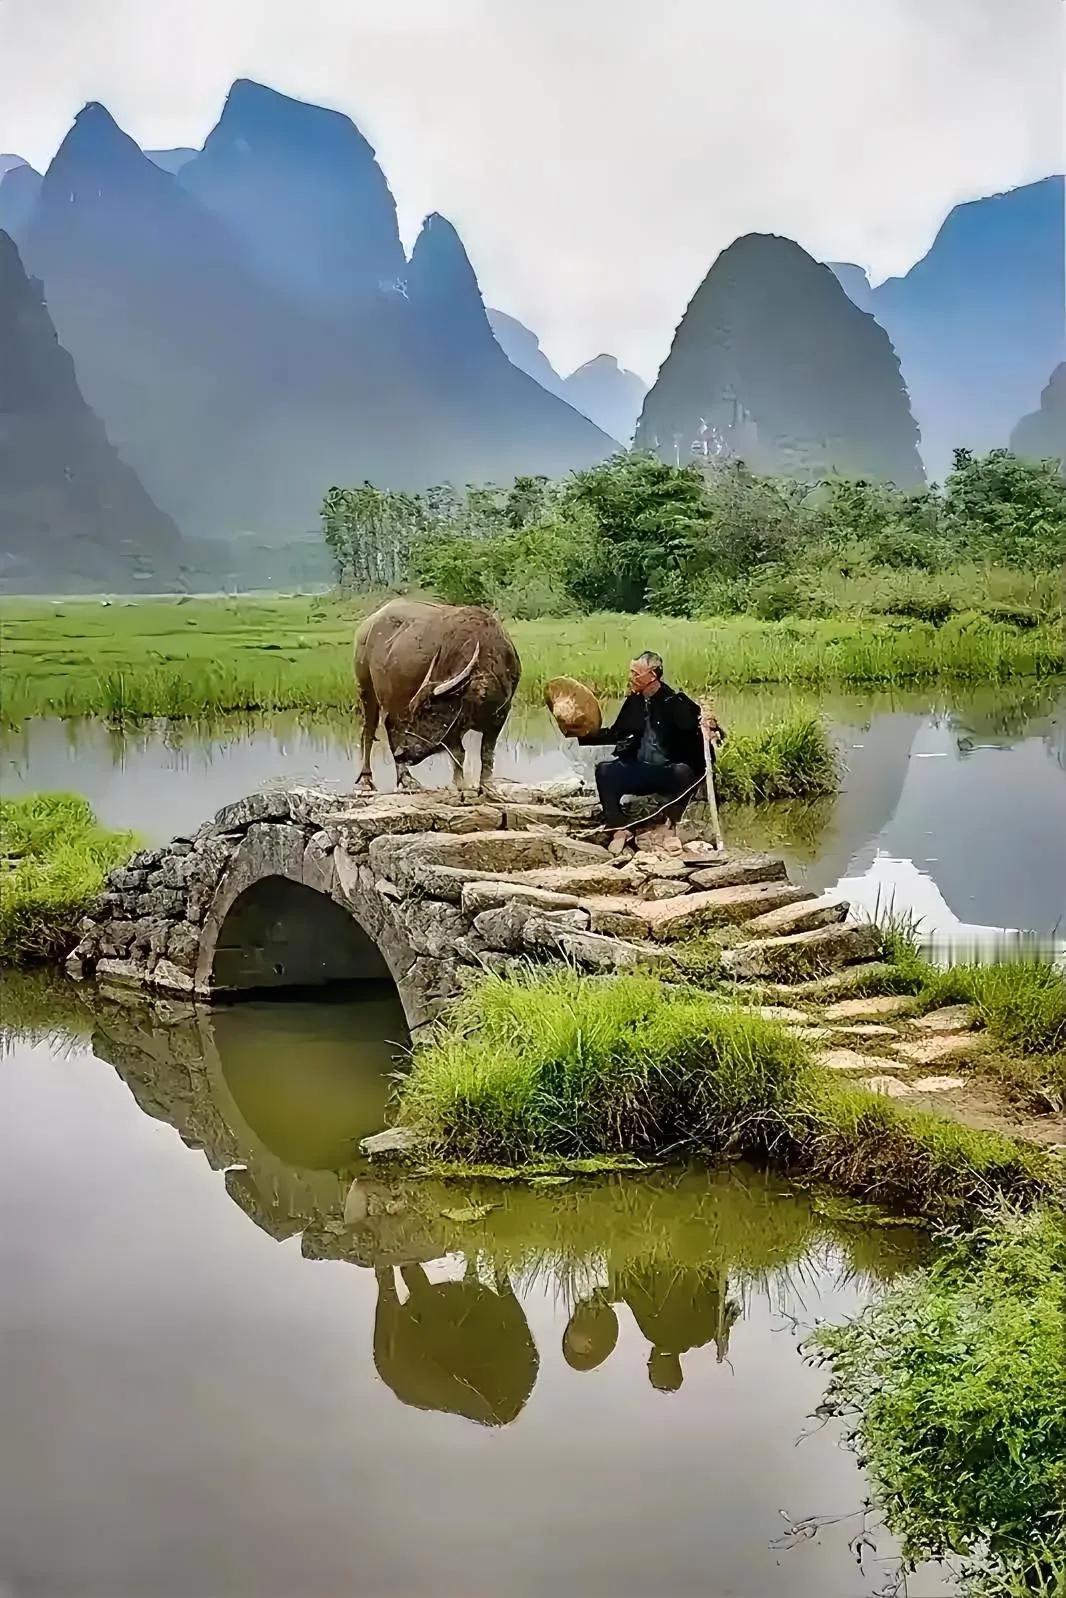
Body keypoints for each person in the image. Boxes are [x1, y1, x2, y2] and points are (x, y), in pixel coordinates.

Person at [575, 651, 724, 854]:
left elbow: (705, 730)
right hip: (639, 769)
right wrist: (581, 734)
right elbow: (616, 733)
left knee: (683, 772)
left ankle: (670, 828)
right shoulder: (634, 702)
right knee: (605, 771)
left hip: (667, 771)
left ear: (652, 675)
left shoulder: (676, 702)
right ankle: (619, 829)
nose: (631, 678)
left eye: (636, 673)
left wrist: (711, 730)